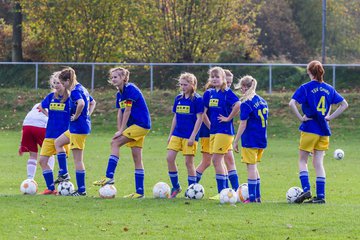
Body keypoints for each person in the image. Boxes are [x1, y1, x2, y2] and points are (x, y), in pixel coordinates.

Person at [289, 60, 348, 204]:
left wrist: (301, 118)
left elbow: (291, 103)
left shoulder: (305, 87)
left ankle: (306, 189)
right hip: (324, 130)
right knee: (318, 163)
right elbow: (344, 104)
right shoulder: (329, 88)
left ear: (309, 72)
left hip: (310, 129)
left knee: (303, 160)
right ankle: (320, 196)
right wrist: (329, 117)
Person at [93, 67, 151, 199]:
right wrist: (119, 129)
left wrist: (121, 131)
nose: (113, 79)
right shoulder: (119, 94)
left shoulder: (131, 89)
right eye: (112, 77)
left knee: (115, 143)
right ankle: (139, 192)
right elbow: (120, 111)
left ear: (124, 78)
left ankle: (109, 176)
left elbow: (128, 110)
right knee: (137, 158)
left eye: (116, 77)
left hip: (140, 124)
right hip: (134, 126)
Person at [196, 69, 239, 194]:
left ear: (223, 79)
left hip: (224, 131)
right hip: (213, 132)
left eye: (217, 77)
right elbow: (203, 113)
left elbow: (238, 104)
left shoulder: (227, 92)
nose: (214, 79)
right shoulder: (209, 93)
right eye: (212, 77)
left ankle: (223, 192)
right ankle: (229, 191)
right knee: (218, 160)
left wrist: (228, 118)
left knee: (216, 160)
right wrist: (210, 126)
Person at [55, 67, 96, 196]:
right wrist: (87, 115)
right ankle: (64, 173)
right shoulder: (82, 88)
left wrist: (78, 116)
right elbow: (93, 102)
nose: (63, 86)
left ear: (68, 81)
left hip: (78, 128)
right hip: (75, 127)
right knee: (58, 142)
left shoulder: (75, 91)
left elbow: (82, 103)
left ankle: (82, 191)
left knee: (78, 160)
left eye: (63, 83)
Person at [166, 72, 203, 198]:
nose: (182, 87)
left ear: (192, 84)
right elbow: (175, 117)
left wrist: (193, 136)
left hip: (189, 136)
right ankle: (176, 187)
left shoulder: (197, 99)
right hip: (177, 134)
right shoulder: (178, 98)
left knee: (188, 163)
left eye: (185, 84)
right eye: (181, 84)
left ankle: (191, 190)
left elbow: (200, 119)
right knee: (169, 158)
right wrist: (170, 134)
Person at [233, 75, 268, 203]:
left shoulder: (246, 103)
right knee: (254, 167)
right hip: (261, 139)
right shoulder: (262, 100)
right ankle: (257, 196)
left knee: (251, 168)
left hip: (250, 139)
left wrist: (236, 140)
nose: (241, 90)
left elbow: (243, 124)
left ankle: (252, 198)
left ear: (244, 87)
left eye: (241, 88)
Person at [38, 71, 71, 195]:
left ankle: (64, 177)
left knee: (61, 160)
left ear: (64, 83)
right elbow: (41, 107)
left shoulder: (70, 97)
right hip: (49, 134)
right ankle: (51, 188)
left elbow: (89, 102)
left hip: (63, 135)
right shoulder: (51, 97)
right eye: (55, 83)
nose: (57, 85)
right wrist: (49, 116)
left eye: (59, 83)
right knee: (42, 161)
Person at [19, 103, 55, 179]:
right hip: (41, 126)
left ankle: (30, 179)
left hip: (27, 126)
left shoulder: (37, 104)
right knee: (49, 153)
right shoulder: (56, 104)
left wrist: (21, 143)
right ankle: (49, 178)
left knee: (32, 155)